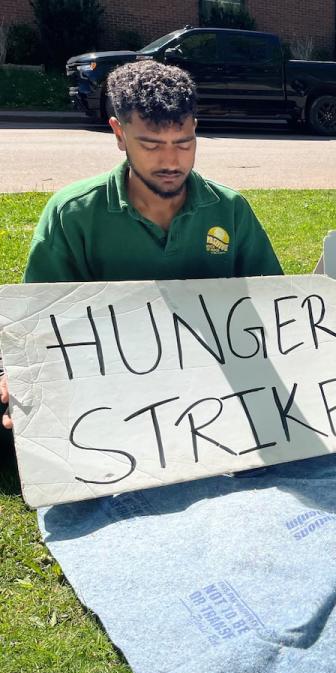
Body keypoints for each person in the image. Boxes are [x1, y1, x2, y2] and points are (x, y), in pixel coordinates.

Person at [1, 60, 285, 429]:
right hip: (109, 402)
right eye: (150, 145)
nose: (170, 161)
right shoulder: (73, 213)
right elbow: (40, 324)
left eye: (184, 143)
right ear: (119, 134)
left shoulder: (230, 209)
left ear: (196, 130)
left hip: (214, 393)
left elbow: (278, 309)